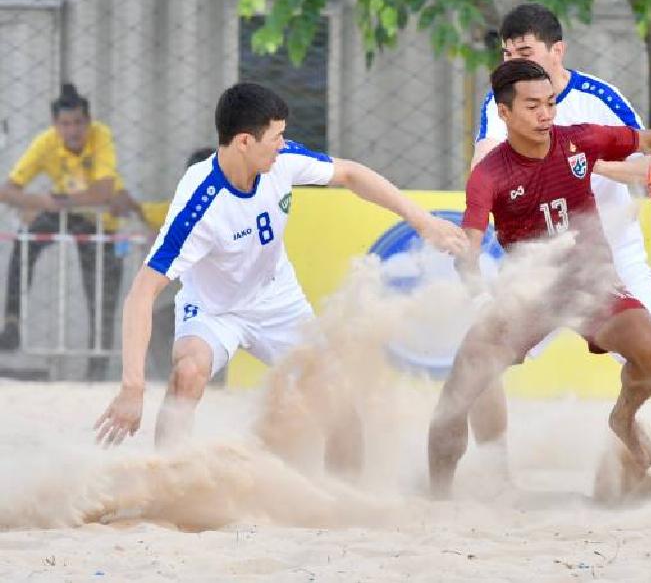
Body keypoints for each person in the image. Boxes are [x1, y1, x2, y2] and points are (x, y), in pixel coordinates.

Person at [428, 59, 651, 499]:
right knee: (456, 397)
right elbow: (467, 253)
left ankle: (624, 418)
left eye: (550, 103)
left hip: (590, 284)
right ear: (504, 113)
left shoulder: (579, 140)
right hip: (531, 294)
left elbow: (647, 140)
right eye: (533, 106)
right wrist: (479, 300)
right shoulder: (490, 175)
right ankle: (437, 500)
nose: (546, 114)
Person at [94, 82, 468, 450]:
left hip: (277, 300)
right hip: (213, 309)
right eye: (275, 136)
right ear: (244, 141)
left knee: (336, 397)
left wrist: (423, 221)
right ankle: (167, 481)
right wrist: (132, 387)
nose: (282, 143)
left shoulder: (282, 160)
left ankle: (345, 494)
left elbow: (352, 174)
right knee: (188, 373)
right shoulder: (198, 206)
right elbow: (141, 293)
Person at [0, 83, 127, 380]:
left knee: (99, 288)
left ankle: (97, 367)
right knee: (24, 242)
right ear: (55, 125)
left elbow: (104, 192)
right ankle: (12, 324)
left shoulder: (101, 136)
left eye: (79, 123)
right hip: (63, 211)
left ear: (89, 122)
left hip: (99, 220)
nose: (73, 131)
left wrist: (50, 201)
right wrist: (35, 202)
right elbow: (7, 191)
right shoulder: (46, 143)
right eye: (65, 124)